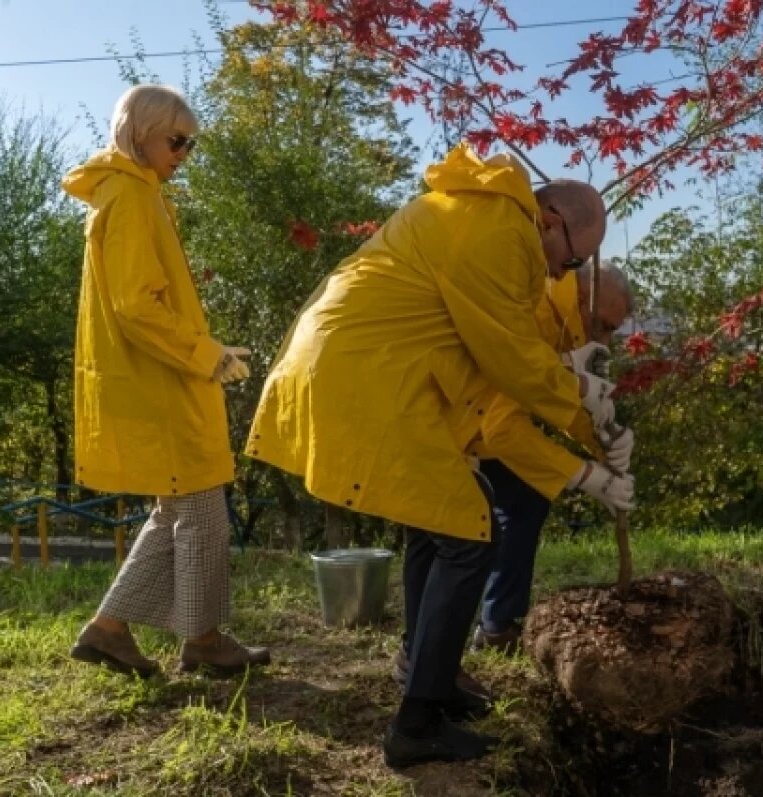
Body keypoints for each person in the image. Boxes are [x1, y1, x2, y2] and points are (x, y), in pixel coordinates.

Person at [245, 144, 623, 767]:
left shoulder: (488, 222)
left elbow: (491, 373)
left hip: (370, 370)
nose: (563, 274)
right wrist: (583, 405)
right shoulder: (499, 231)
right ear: (552, 220)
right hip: (367, 375)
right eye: (572, 260)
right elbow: (510, 360)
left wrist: (588, 427)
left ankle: (434, 679)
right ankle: (416, 725)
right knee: (469, 537)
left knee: (442, 523)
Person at [63, 84, 269, 678]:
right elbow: (136, 306)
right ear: (140, 133)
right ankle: (202, 641)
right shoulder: (130, 196)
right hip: (161, 382)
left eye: (190, 144)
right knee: (201, 513)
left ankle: (109, 630)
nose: (184, 154)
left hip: (156, 377)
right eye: (176, 141)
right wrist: (207, 355)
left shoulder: (132, 192)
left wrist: (205, 353)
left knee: (177, 511)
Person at [471, 263, 636, 653]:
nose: (606, 340)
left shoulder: (569, 324)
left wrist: (604, 443)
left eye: (613, 330)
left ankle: (495, 625)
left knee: (525, 500)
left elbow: (558, 400)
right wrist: (588, 476)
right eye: (604, 326)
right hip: (455, 427)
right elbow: (501, 427)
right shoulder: (536, 315)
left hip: (480, 427)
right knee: (458, 536)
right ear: (582, 297)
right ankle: (456, 642)